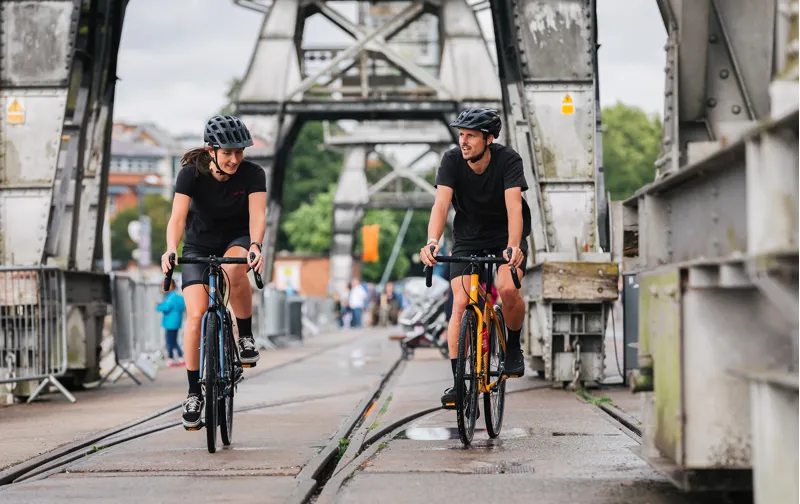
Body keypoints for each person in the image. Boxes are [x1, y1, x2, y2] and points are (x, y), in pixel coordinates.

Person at [419, 107, 532, 409]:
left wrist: (513, 246)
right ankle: (459, 383)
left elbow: (514, 208)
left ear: (489, 138)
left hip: (505, 235)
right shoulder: (452, 160)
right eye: (461, 135)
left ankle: (512, 348)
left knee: (508, 288)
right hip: (468, 236)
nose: (464, 141)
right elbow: (441, 205)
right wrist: (432, 242)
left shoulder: (508, 161)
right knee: (461, 302)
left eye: (470, 136)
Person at [161, 114, 266, 430]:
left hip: (236, 240)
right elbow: (178, 218)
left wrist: (256, 246)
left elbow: (258, 215)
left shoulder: (253, 174)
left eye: (239, 151)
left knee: (235, 272)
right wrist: (170, 248)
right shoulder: (190, 175)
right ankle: (194, 393)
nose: (235, 159)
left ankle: (244, 336)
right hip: (197, 245)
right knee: (195, 317)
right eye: (227, 153)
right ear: (211, 150)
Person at [156, 279, 186, 366]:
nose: (163, 288)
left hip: (170, 324)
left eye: (164, 286)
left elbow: (166, 307)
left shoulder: (170, 297)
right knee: (173, 341)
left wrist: (157, 305)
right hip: (176, 323)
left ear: (171, 286)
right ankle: (179, 358)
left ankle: (171, 359)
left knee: (170, 342)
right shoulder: (178, 297)